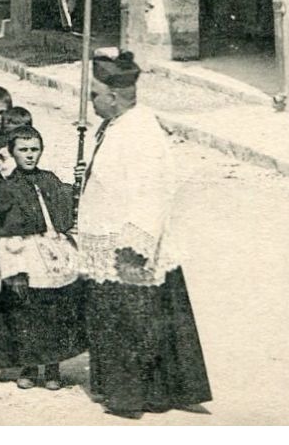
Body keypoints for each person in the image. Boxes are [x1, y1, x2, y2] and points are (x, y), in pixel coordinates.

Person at [76, 51, 212, 419]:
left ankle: (134, 396)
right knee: (131, 318)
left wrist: (135, 244)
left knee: (134, 321)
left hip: (128, 245)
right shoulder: (119, 125)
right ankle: (146, 390)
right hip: (108, 237)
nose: (91, 103)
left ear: (114, 97)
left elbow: (153, 191)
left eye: (94, 96)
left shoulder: (141, 132)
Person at [0, 125, 85, 391]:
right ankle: (29, 366)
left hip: (50, 248)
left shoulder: (49, 178)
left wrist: (78, 183)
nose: (30, 155)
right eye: (23, 150)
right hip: (23, 250)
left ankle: (53, 367)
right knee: (27, 311)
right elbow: (1, 207)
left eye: (35, 150)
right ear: (13, 152)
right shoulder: (7, 181)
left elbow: (65, 205)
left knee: (54, 308)